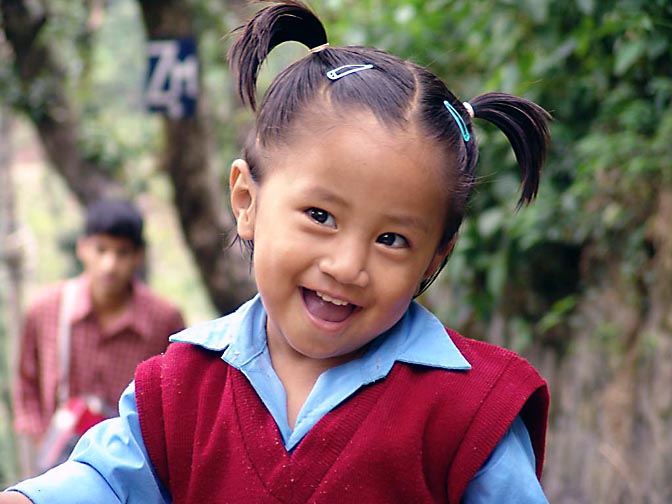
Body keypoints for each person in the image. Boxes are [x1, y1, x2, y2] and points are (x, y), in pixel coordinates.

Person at [2, 1, 552, 502]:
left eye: (392, 239)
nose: (347, 265)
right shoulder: (181, 388)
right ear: (247, 200)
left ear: (436, 256)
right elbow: (104, 480)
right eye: (321, 216)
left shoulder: (471, 412)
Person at [10, 198, 185, 472]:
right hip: (58, 467)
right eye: (101, 249)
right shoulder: (47, 309)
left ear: (139, 256)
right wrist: (45, 440)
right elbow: (26, 386)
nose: (109, 264)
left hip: (130, 471)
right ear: (83, 248)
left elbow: (177, 398)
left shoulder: (163, 319)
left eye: (122, 253)